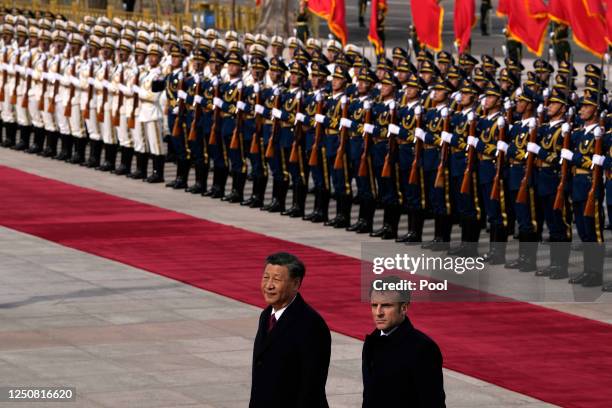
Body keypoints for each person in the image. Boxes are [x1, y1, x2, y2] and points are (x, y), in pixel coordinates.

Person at [250, 252, 331, 408]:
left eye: (277, 279)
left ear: (295, 283)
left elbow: (311, 386)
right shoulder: (266, 315)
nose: (269, 285)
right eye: (266, 277)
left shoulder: (311, 325)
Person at [362, 275, 446, 407]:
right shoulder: (371, 342)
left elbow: (433, 403)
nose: (378, 312)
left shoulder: (423, 349)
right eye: (374, 305)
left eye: (386, 305)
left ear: (404, 308)